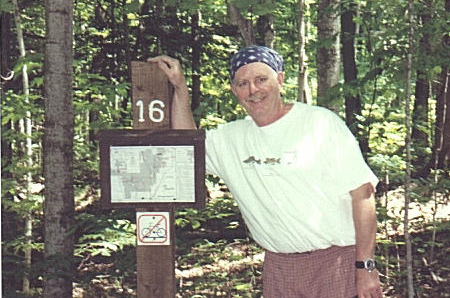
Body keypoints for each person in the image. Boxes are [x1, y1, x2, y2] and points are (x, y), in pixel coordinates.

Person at [148, 46, 383, 298]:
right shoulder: (231, 138)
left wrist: (366, 266)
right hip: (279, 268)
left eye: (261, 80)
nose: (253, 90)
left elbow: (363, 194)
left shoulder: (319, 124)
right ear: (234, 91)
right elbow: (188, 149)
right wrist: (180, 89)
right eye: (243, 83)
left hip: (337, 263)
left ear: (280, 79)